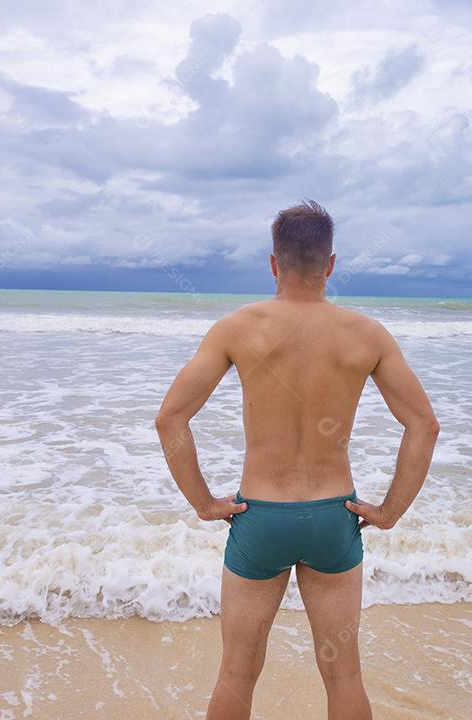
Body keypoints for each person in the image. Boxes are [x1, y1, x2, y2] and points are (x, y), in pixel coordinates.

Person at [154, 200, 439, 720]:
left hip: (258, 516)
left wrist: (203, 502)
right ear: (330, 264)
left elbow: (170, 419)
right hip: (335, 516)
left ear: (272, 264)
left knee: (238, 672)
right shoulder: (367, 334)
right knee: (344, 673)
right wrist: (390, 510)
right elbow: (424, 424)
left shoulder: (236, 328)